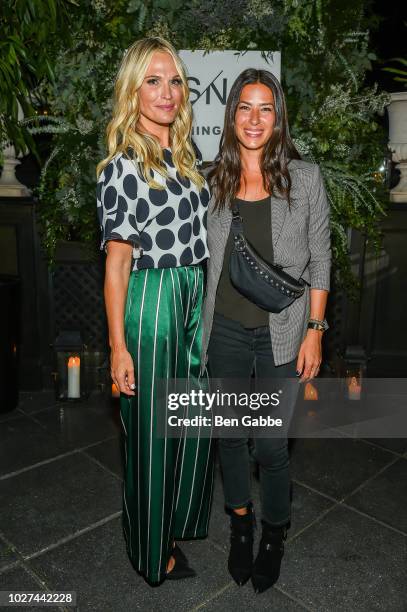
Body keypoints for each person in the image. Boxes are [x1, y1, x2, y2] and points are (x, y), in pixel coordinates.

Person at [201, 68, 331, 593]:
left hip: (283, 332)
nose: (254, 119)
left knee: (272, 448)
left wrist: (316, 329)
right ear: (231, 115)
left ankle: (274, 533)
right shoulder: (211, 181)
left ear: (278, 118)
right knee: (230, 439)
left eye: (266, 108)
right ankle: (240, 525)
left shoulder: (304, 179)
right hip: (225, 330)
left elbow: (321, 257)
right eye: (245, 108)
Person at [96, 37, 214, 586]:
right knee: (150, 434)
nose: (166, 92)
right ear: (133, 90)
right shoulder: (123, 164)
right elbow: (117, 265)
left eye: (173, 81)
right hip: (153, 302)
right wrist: (119, 347)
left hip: (191, 296)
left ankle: (172, 522)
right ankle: (151, 551)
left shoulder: (183, 156)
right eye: (152, 81)